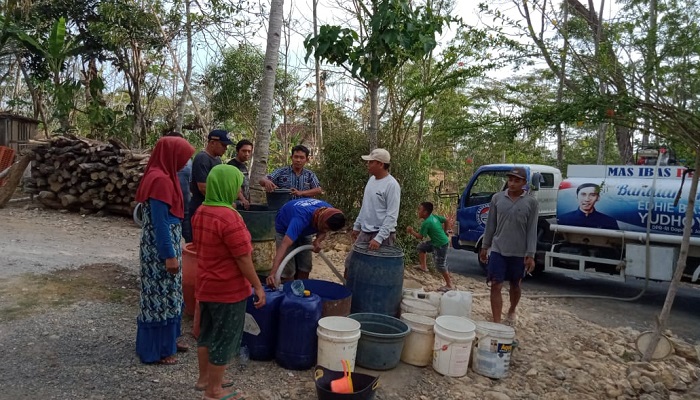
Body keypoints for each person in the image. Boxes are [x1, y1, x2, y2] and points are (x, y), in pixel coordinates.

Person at [191, 164, 266, 400]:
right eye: (237, 185)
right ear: (228, 186)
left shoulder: (201, 211)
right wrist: (257, 285)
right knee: (224, 338)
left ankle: (205, 379)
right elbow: (243, 258)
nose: (238, 189)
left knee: (207, 333)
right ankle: (214, 391)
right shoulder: (230, 218)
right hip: (228, 290)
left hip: (206, 285)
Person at [133, 136, 195, 365]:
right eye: (184, 157)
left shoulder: (164, 176)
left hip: (165, 245)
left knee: (171, 295)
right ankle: (157, 350)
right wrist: (169, 255)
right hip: (160, 249)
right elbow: (160, 224)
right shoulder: (160, 181)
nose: (186, 162)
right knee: (158, 297)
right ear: (171, 155)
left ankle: (169, 340)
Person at [479, 166, 538, 325]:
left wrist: (531, 254)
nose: (512, 183)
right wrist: (485, 246)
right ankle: (496, 321)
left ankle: (512, 310)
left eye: (516, 181)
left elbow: (532, 229)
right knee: (495, 284)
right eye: (510, 180)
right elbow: (490, 225)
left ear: (524, 183)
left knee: (515, 285)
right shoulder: (497, 199)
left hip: (519, 252)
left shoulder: (531, 203)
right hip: (498, 249)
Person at [265, 198, 346, 287]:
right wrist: (273, 273)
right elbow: (284, 246)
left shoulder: (330, 212)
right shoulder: (300, 219)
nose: (326, 230)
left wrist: (317, 240)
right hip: (285, 227)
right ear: (322, 219)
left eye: (328, 229)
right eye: (325, 227)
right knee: (288, 270)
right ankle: (290, 293)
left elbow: (323, 231)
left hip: (305, 229)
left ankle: (302, 290)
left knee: (306, 266)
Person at [349, 148, 401, 251]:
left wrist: (379, 238)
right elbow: (365, 206)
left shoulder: (392, 185)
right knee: (351, 264)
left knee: (377, 266)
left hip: (383, 235)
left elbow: (392, 215)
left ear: (381, 164)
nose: (367, 164)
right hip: (366, 231)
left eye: (371, 162)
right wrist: (357, 225)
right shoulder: (371, 180)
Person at [187, 129, 233, 242]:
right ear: (212, 143)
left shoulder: (217, 160)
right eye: (223, 145)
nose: (225, 148)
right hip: (200, 206)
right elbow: (203, 188)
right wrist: (223, 201)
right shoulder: (202, 158)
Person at [407, 202, 454, 292]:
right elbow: (446, 220)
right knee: (422, 247)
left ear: (425, 212)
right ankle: (423, 266)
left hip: (441, 245)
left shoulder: (427, 223)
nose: (418, 211)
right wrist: (445, 231)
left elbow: (420, 237)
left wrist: (411, 231)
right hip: (436, 242)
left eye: (419, 209)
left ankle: (449, 284)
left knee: (440, 265)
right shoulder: (433, 217)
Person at [227, 139, 253, 210]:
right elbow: (233, 186)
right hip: (235, 204)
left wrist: (248, 200)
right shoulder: (231, 166)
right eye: (244, 151)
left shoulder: (244, 166)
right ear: (237, 151)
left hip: (244, 204)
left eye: (249, 151)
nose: (247, 153)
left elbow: (246, 185)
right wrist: (243, 199)